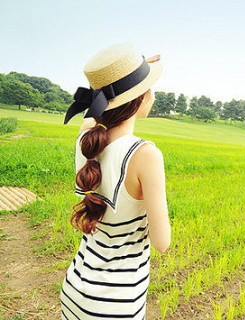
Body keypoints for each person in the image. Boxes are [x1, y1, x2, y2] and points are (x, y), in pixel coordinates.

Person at [60, 43, 171, 319]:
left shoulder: (86, 140)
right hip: (115, 303)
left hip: (75, 290)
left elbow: (91, 118)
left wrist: (130, 72)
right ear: (141, 97)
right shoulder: (146, 155)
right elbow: (162, 242)